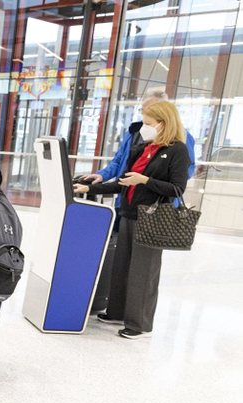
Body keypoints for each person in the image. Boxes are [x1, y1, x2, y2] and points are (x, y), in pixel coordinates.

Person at [73, 101, 190, 339]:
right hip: (128, 213)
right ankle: (116, 311)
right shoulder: (143, 148)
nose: (143, 128)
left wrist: (144, 181)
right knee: (122, 266)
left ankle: (139, 324)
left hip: (153, 218)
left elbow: (177, 188)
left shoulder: (177, 150)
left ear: (164, 124)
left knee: (143, 272)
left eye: (148, 123)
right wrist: (86, 188)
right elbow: (122, 182)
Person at [81, 89, 195, 189]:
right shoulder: (134, 131)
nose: (145, 114)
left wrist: (150, 182)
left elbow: (184, 172)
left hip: (155, 204)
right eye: (142, 110)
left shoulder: (182, 139)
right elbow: (119, 160)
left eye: (150, 110)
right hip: (126, 196)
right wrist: (102, 175)